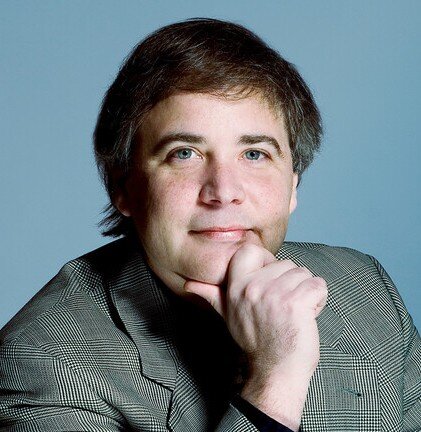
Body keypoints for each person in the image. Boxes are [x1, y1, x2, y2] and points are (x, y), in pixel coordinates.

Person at [0, 18, 419, 432]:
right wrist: (276, 378)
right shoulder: (45, 359)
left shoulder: (365, 290)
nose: (223, 191)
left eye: (254, 154)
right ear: (123, 188)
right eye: (184, 153)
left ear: (293, 186)